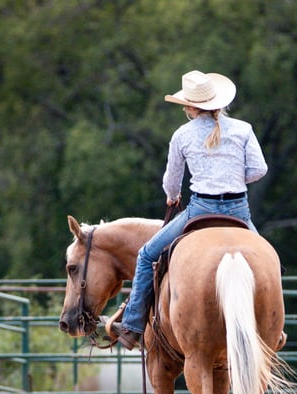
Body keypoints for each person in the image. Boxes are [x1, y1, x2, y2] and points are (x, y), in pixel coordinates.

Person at [107, 70, 268, 350]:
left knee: (146, 256)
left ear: (190, 106)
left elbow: (171, 180)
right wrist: (231, 177)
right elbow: (259, 170)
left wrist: (172, 196)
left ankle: (132, 327)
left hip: (200, 209)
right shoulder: (243, 129)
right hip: (239, 211)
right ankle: (273, 331)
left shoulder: (182, 134)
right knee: (270, 262)